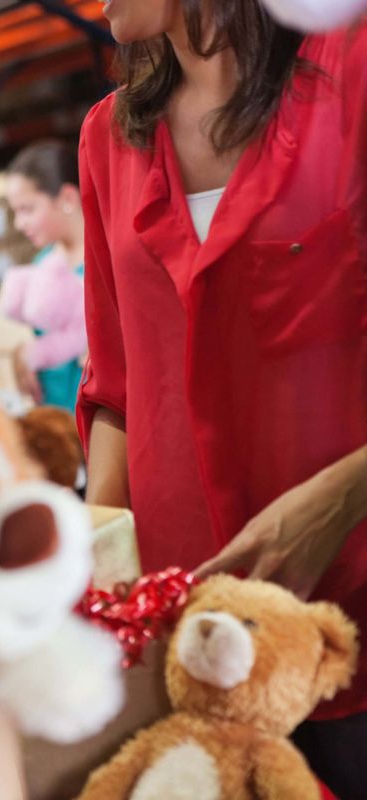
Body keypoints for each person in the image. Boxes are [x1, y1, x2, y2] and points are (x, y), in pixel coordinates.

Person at [78, 2, 367, 795]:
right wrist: (100, 570)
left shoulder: (349, 72)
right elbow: (116, 382)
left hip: (347, 612)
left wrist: (335, 502)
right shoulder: (109, 138)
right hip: (199, 636)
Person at [0, 140, 88, 410]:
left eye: (27, 209)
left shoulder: (111, 259)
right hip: (61, 421)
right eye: (15, 211)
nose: (18, 223)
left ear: (68, 198)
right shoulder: (41, 265)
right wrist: (21, 358)